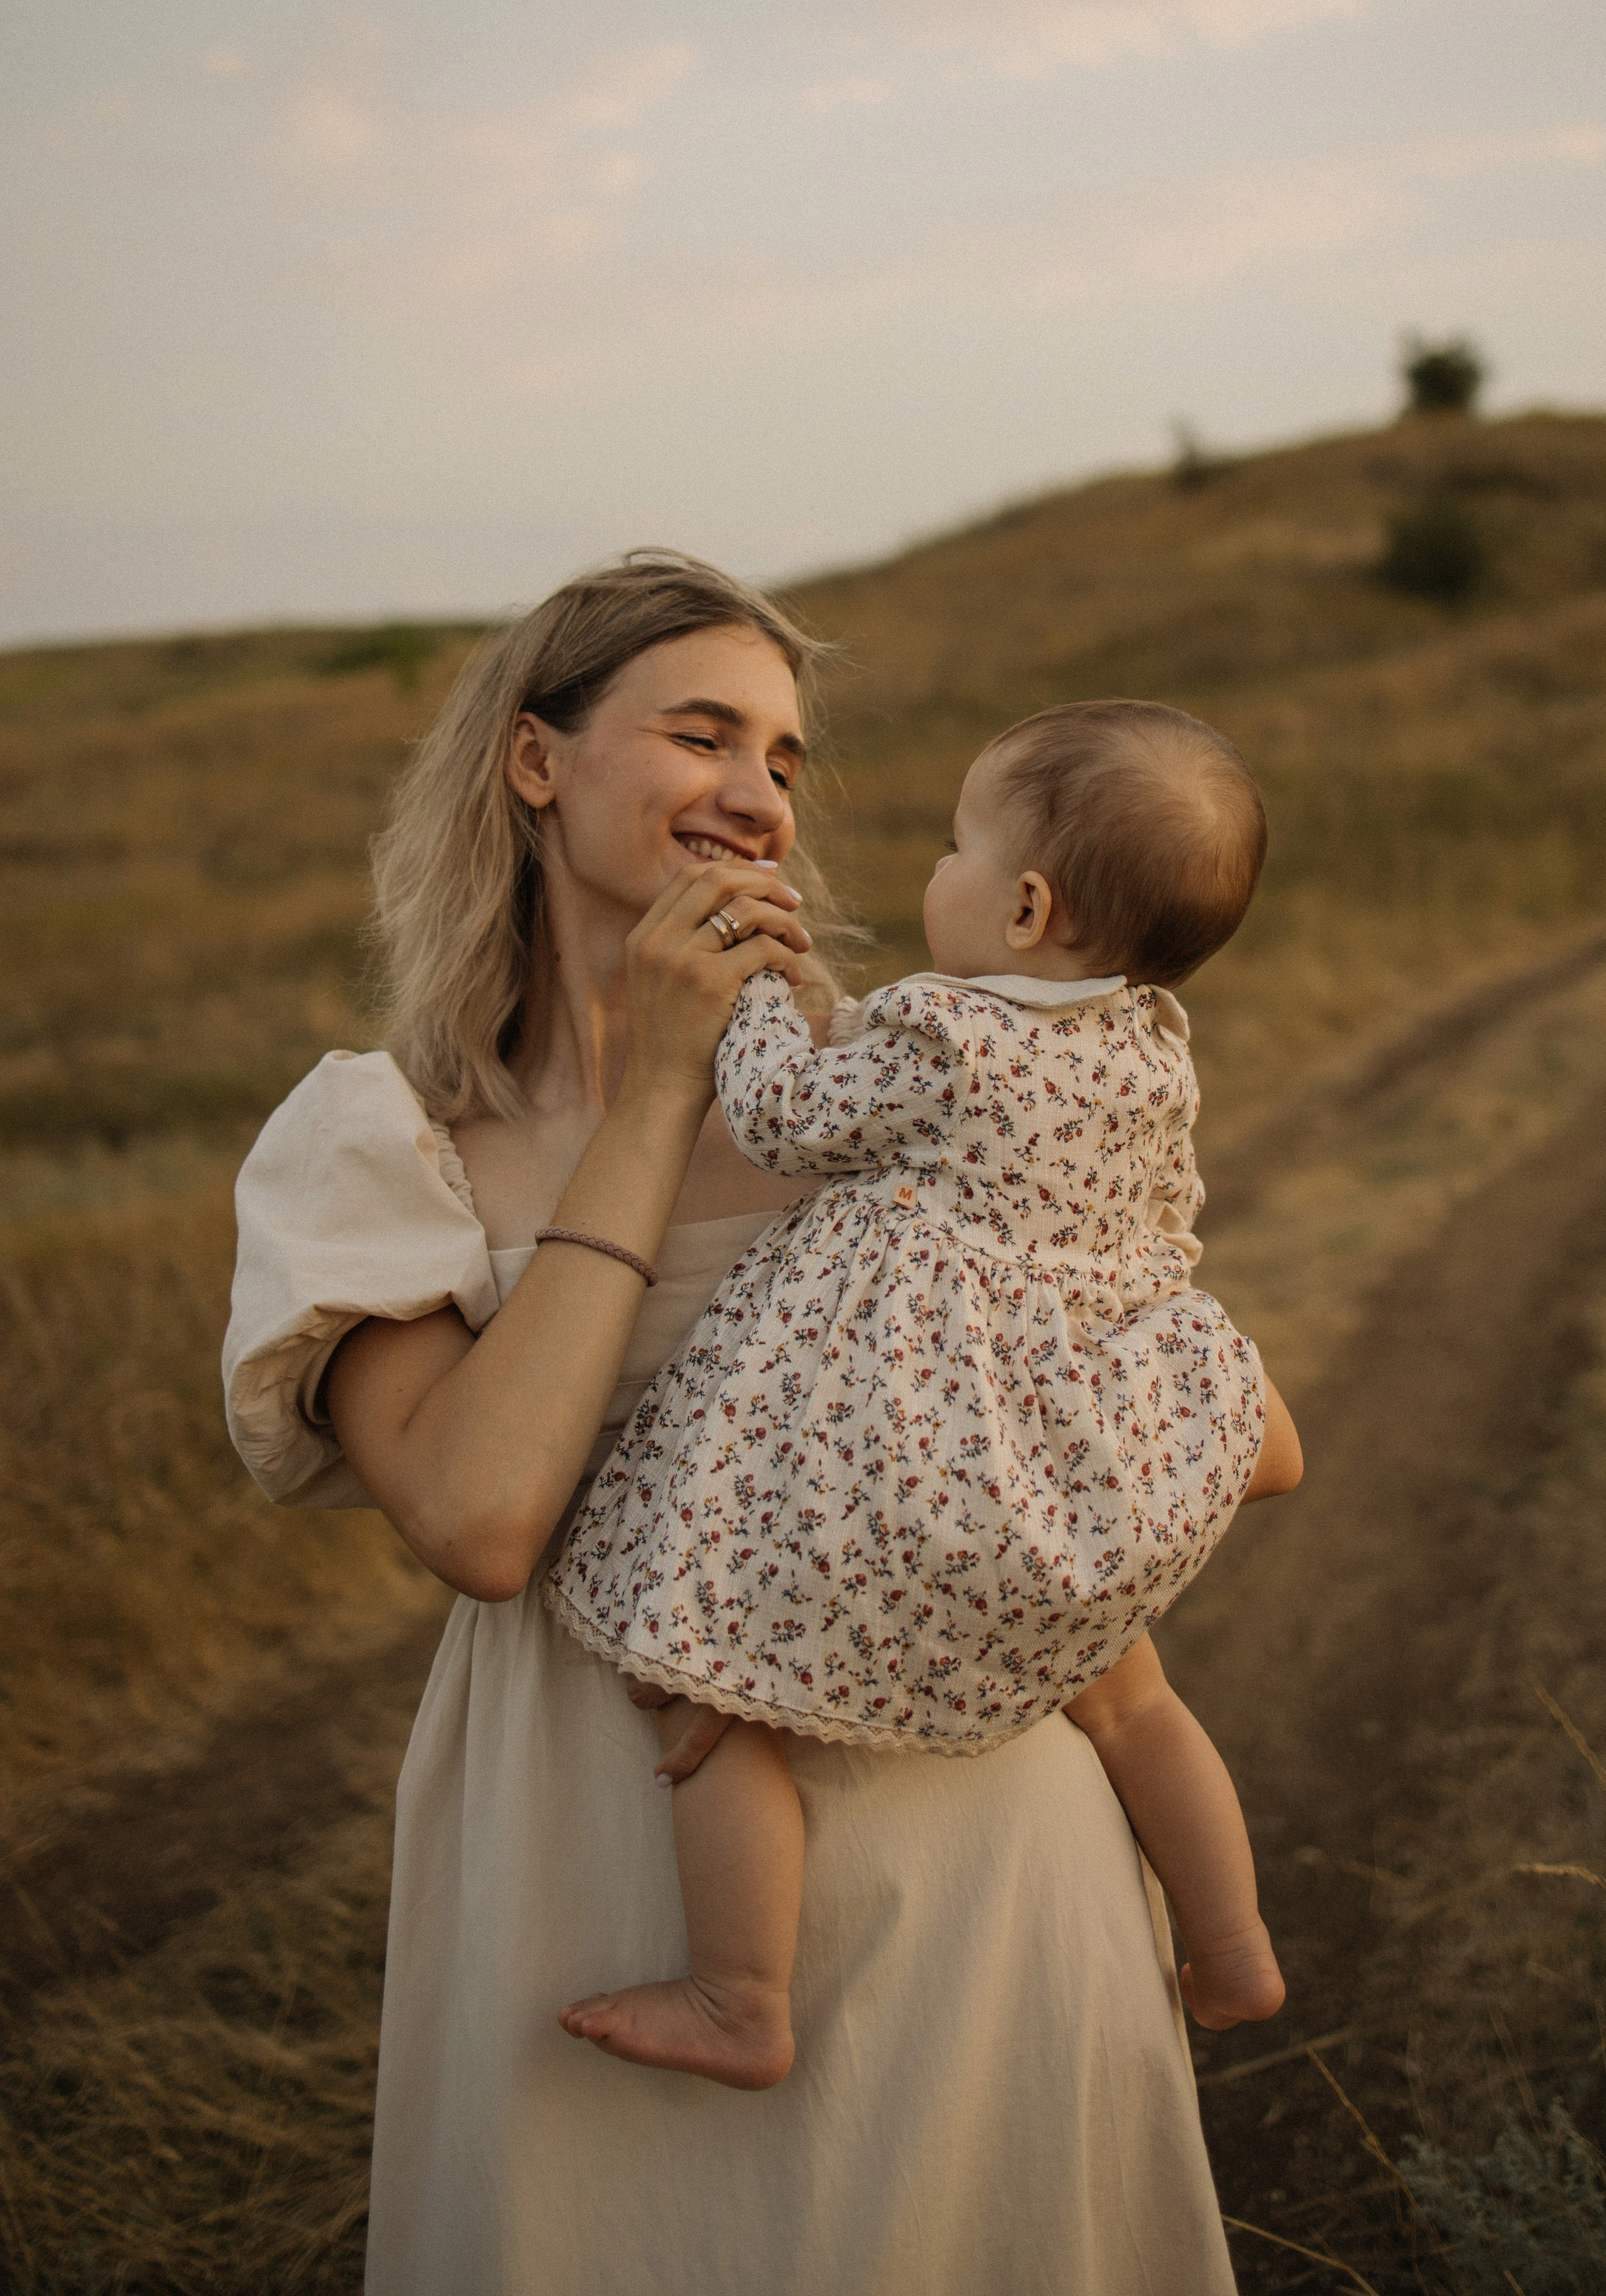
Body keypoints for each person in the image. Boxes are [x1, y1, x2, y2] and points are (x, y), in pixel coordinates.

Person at [221, 551, 1303, 2296]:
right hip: (604, 1842)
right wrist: (657, 1084)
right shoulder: (379, 1139)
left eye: (785, 760)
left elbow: (1235, 1430)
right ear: (535, 760)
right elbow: (485, 1520)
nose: (757, 794)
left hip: (977, 1840)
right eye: (703, 735)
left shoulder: (900, 1084)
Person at [545, 701, 1286, 2092]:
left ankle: (740, 1996)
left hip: (913, 1446)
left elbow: (783, 1121)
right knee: (1133, 1700)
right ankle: (1235, 1942)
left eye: (954, 848)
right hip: (1065, 1430)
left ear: (1023, 905)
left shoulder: (947, 1028)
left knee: (707, 1670)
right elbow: (1163, 1210)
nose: (929, 873)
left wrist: (757, 994)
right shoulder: (1153, 1042)